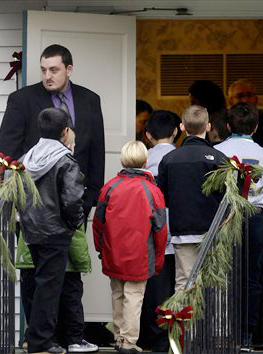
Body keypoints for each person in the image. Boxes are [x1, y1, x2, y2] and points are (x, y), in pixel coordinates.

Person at [0, 44, 103, 351]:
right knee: (35, 274)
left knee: (69, 275)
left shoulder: (89, 100)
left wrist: (89, 198)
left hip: (74, 203)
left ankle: (69, 335)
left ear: (68, 69)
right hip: (35, 206)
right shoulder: (22, 100)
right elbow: (7, 152)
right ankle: (40, 337)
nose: (47, 76)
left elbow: (95, 148)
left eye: (54, 70)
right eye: (43, 70)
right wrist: (20, 200)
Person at [20, 107, 86, 354]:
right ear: (65, 131)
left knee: (40, 285)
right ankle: (41, 342)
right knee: (50, 287)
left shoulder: (26, 158)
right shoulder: (65, 160)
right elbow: (71, 200)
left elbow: (16, 191)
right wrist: (74, 224)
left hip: (31, 228)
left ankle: (37, 338)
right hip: (56, 230)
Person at [93, 141, 167, 354]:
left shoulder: (110, 187)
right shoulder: (152, 190)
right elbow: (160, 230)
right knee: (134, 296)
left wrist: (100, 248)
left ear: (122, 160)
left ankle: (119, 336)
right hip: (140, 255)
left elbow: (98, 223)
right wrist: (159, 258)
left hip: (112, 252)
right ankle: (128, 341)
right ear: (146, 162)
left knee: (117, 293)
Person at [214, 102, 263, 346]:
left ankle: (222, 332)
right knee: (252, 276)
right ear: (257, 127)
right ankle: (247, 335)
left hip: (224, 215)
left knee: (223, 274)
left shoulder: (217, 151)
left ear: (228, 126)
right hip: (255, 216)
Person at [157, 105, 227, 291]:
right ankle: (214, 321)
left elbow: (161, 195)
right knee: (214, 285)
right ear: (209, 127)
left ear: (182, 127)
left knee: (184, 284)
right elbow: (226, 196)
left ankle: (185, 321)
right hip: (213, 231)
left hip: (182, 230)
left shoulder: (170, 159)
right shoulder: (219, 158)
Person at [137, 110, 180, 352]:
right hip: (178, 232)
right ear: (176, 132)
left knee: (151, 287)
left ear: (148, 135)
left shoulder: (142, 162)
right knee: (176, 286)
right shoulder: (180, 158)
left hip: (149, 233)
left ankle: (150, 337)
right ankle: (172, 338)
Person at [227, 79, 263, 152]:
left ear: (256, 99)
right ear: (230, 101)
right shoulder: (224, 119)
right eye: (239, 96)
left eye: (249, 95)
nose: (245, 100)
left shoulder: (262, 120)